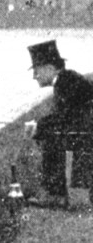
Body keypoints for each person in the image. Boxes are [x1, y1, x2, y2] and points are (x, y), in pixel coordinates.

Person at [25, 40, 93, 209]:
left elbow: (65, 118)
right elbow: (68, 116)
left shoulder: (65, 82)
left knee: (52, 137)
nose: (34, 76)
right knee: (51, 133)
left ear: (49, 68)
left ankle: (54, 194)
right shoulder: (66, 79)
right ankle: (58, 192)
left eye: (36, 71)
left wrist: (39, 127)